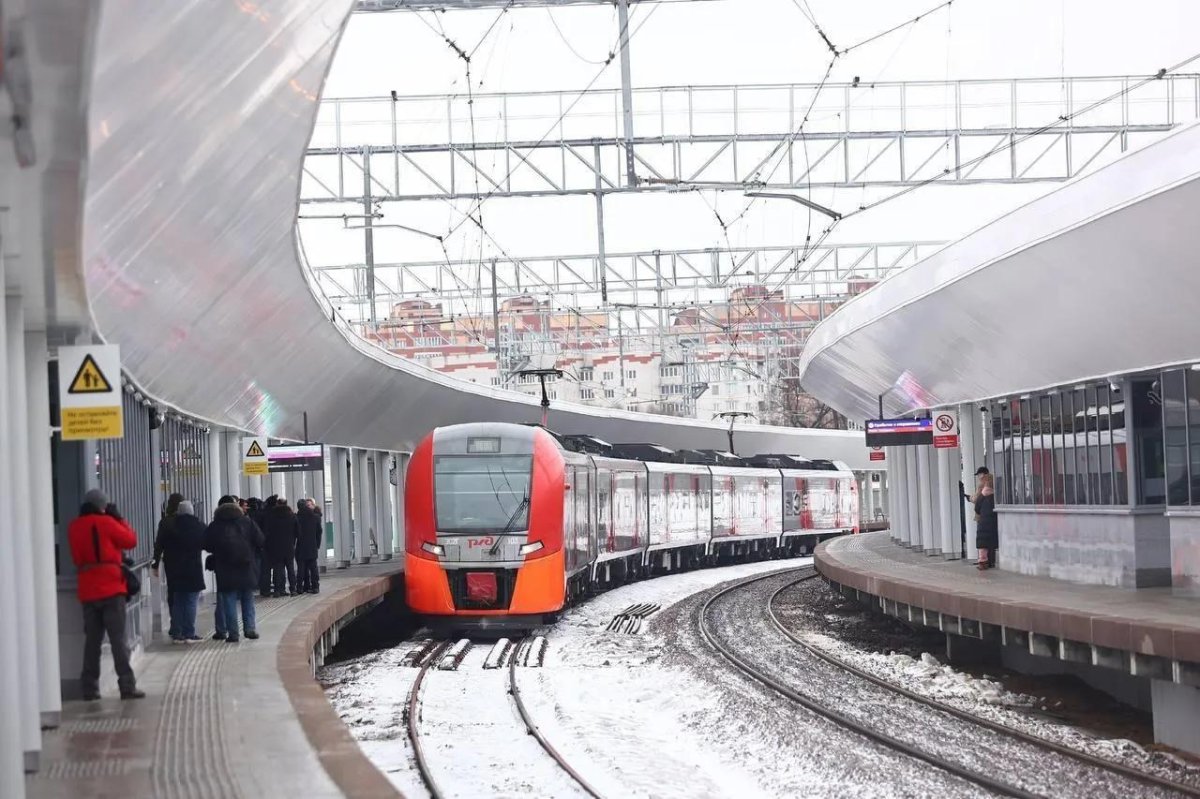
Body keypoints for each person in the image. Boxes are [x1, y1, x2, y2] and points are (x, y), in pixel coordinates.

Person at [67, 489, 145, 700]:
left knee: (92, 641)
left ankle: (89, 688)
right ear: (102, 506)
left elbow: (76, 556)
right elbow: (130, 540)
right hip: (112, 589)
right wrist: (118, 518)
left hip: (88, 589)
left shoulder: (74, 527)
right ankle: (126, 686)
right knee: (118, 639)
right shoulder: (108, 523)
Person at [204, 501, 265, 643]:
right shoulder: (247, 522)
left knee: (229, 601)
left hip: (225, 569)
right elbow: (261, 540)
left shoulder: (216, 525)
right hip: (246, 566)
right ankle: (250, 629)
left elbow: (206, 544)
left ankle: (233, 634)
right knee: (247, 598)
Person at [154, 500, 207, 643]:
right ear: (191, 511)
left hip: (174, 569)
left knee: (177, 601)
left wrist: (155, 562)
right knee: (190, 601)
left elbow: (159, 544)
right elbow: (207, 543)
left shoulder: (169, 525)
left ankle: (177, 633)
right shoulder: (198, 526)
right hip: (193, 568)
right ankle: (189, 633)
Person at [152, 492, 185, 639]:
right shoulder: (188, 521)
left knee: (173, 593)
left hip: (171, 562)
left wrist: (155, 563)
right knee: (187, 594)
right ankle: (185, 625)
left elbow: (159, 544)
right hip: (188, 562)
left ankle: (175, 625)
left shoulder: (165, 522)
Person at [263, 497, 299, 597]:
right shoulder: (292, 517)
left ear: (277, 504)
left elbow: (267, 532)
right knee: (290, 568)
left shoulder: (272, 517)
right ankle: (293, 589)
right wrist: (293, 541)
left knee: (278, 569)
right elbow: (298, 532)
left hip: (276, 547)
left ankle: (278, 590)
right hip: (289, 547)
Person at [973, 468, 999, 570]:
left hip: (983, 520)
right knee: (991, 541)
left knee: (982, 541)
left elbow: (977, 506)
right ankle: (991, 562)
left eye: (979, 475)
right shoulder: (997, 493)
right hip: (994, 520)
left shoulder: (982, 493)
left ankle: (983, 562)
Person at [295, 499, 321, 594]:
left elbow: (295, 533)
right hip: (312, 546)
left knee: (301, 569)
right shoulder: (315, 517)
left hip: (301, 546)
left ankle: (300, 588)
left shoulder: (297, 518)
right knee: (313, 567)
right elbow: (319, 532)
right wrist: (317, 544)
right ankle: (315, 586)